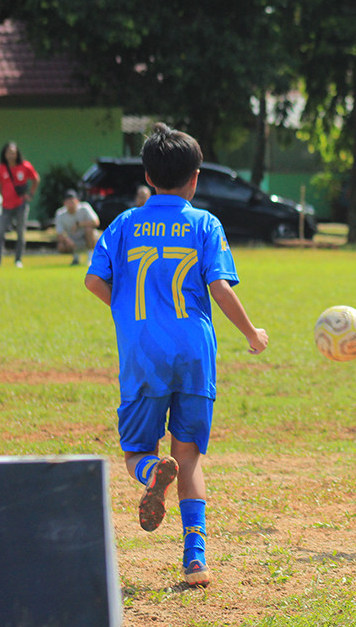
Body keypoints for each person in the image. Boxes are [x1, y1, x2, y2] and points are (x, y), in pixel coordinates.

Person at [85, 123, 268, 587]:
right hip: (194, 352)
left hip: (143, 353)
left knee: (135, 452)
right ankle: (195, 561)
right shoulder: (205, 223)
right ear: (196, 178)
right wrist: (251, 332)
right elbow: (219, 287)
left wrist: (127, 310)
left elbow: (93, 280)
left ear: (148, 176)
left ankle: (151, 471)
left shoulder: (124, 223)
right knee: (188, 457)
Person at [0, 141, 40, 268]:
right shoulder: (1, 168)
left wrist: (31, 194)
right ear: (4, 154)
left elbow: (36, 179)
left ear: (17, 154)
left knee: (20, 232)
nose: (10, 155)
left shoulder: (25, 166)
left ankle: (18, 259)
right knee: (0, 232)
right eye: (8, 153)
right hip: (6, 206)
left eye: (13, 153)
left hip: (21, 205)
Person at [54, 189, 100, 266]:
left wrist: (79, 224)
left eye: (72, 202)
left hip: (87, 237)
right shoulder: (60, 213)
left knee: (89, 230)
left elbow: (96, 222)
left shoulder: (85, 207)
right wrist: (67, 240)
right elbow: (59, 233)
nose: (71, 205)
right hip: (73, 239)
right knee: (61, 246)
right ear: (64, 203)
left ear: (77, 201)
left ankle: (91, 258)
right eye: (68, 202)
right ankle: (76, 257)